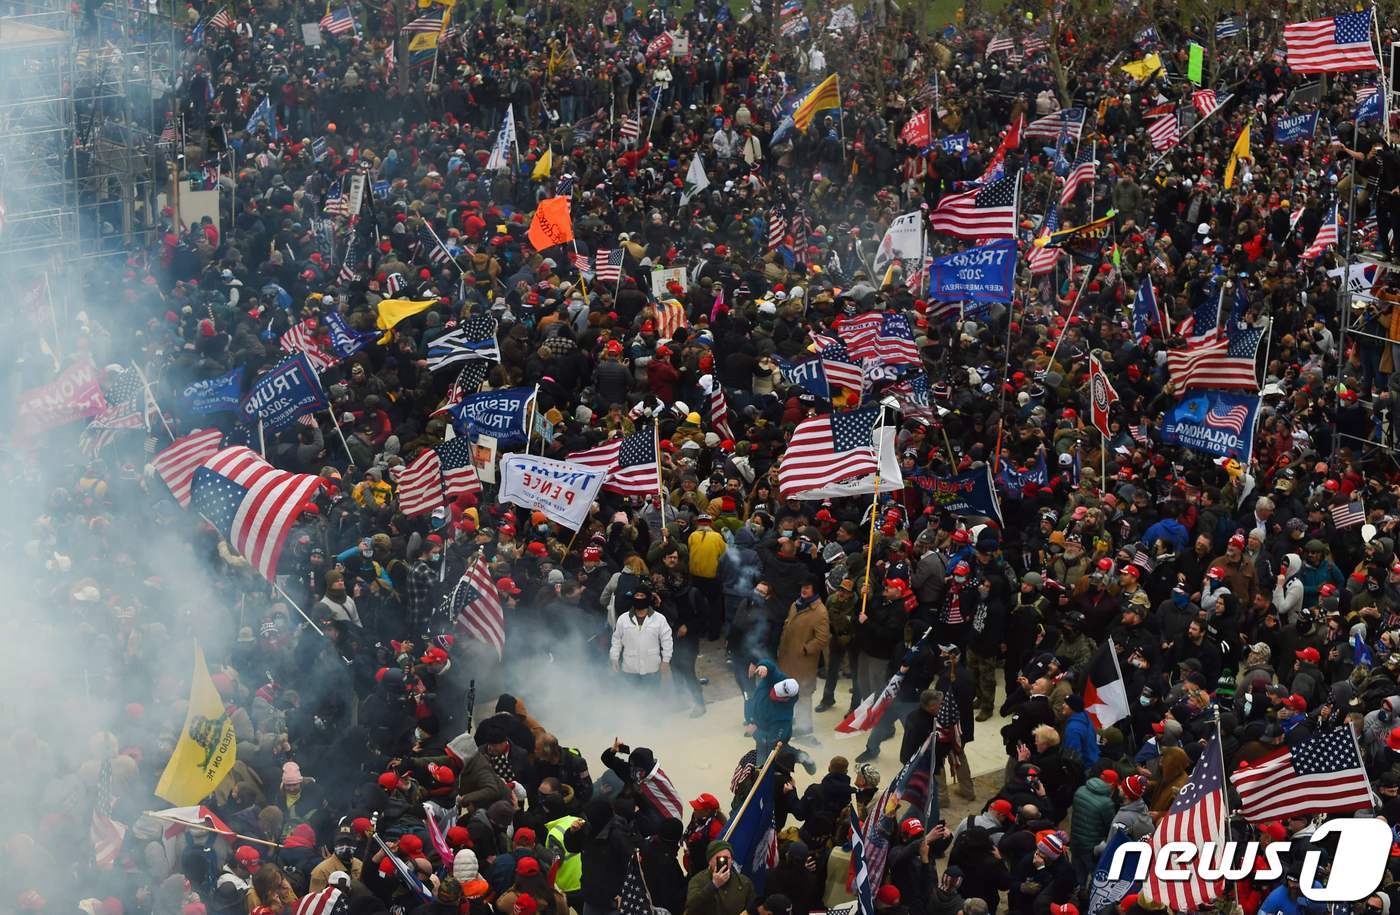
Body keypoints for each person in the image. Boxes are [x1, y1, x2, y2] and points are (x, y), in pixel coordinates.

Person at [776, 579, 831, 743]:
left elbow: (822, 639)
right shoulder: (796, 604)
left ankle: (804, 727)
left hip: (803, 662)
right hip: (787, 658)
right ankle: (792, 721)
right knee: (789, 692)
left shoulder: (820, 612)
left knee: (803, 695)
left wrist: (805, 649)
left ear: (814, 590)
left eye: (807, 587)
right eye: (802, 587)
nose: (803, 590)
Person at [610, 588, 674, 684]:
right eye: (637, 595)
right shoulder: (623, 619)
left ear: (647, 598)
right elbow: (616, 640)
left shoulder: (659, 619)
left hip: (652, 669)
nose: (639, 598)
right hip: (629, 669)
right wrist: (614, 658)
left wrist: (666, 660)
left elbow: (667, 640)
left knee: (651, 697)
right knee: (630, 698)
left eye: (642, 596)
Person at [685, 842, 755, 915]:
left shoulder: (744, 882)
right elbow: (691, 908)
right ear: (710, 862)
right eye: (719, 859)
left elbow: (752, 909)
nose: (723, 862)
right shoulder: (698, 880)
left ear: (731, 860)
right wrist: (714, 885)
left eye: (727, 858)